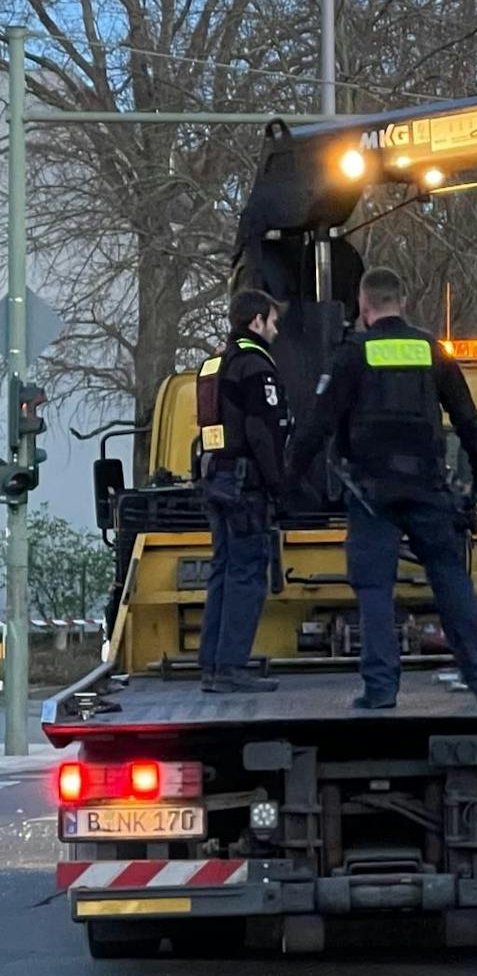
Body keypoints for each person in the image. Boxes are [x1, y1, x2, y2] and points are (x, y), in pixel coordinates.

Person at [284, 266, 477, 709]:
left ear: (365, 307)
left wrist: (286, 483)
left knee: (375, 589)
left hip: (372, 496)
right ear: (401, 303)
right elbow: (470, 423)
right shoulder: (431, 351)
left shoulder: (353, 354)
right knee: (450, 578)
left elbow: (316, 428)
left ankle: (381, 690)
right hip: (429, 489)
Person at [195, 290, 291, 694]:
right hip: (245, 485)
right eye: (271, 319)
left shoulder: (215, 364)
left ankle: (213, 666)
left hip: (215, 476)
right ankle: (231, 667)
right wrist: (278, 484)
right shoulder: (255, 365)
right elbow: (260, 430)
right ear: (255, 321)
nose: (275, 327)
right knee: (248, 574)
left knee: (223, 570)